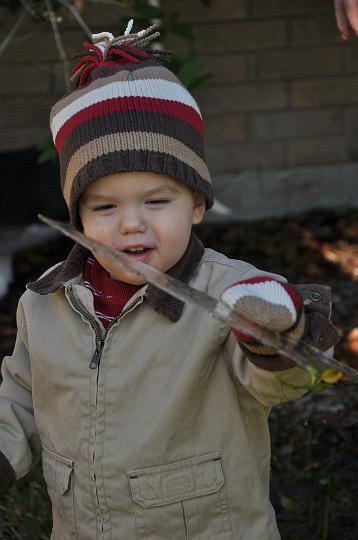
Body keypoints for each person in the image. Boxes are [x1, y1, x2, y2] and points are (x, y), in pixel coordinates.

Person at [0, 22, 339, 540]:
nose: (131, 223)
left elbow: (280, 383)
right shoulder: (47, 302)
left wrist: (272, 335)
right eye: (105, 206)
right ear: (79, 216)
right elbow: (22, 393)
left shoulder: (232, 296)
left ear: (197, 203)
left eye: (156, 201)